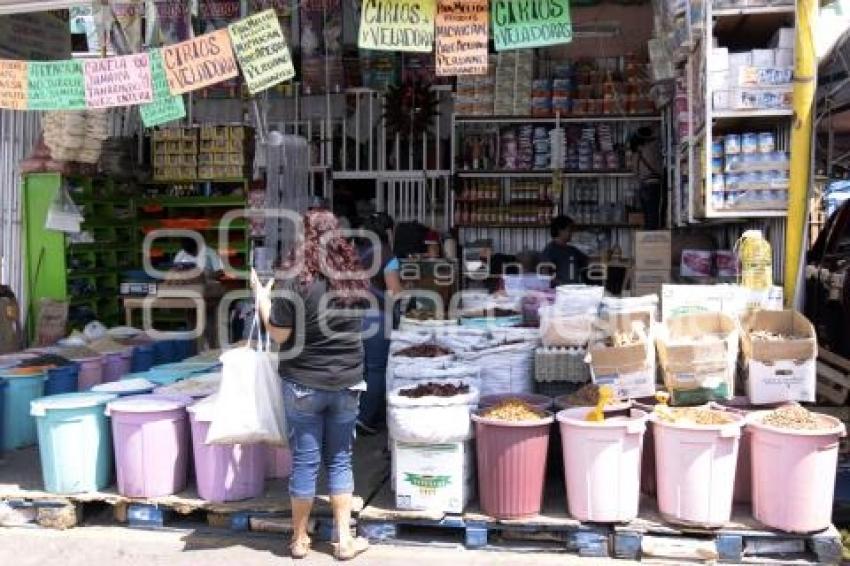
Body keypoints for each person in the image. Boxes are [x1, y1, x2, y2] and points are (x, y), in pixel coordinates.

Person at [254, 209, 370, 561]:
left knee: (305, 462)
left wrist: (261, 298)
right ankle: (345, 542)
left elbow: (278, 334)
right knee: (340, 460)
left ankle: (300, 540)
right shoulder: (353, 279)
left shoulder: (295, 281)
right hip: (348, 382)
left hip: (304, 383)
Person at [356, 212, 402, 434]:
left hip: (353, 316)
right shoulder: (387, 255)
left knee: (361, 369)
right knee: (377, 369)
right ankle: (366, 418)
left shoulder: (355, 253)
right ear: (387, 232)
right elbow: (394, 291)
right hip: (376, 317)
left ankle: (355, 414)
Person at [542, 215, 588, 285]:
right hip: (560, 290)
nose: (571, 233)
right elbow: (545, 275)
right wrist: (562, 284)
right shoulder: (550, 250)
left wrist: (606, 256)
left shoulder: (572, 250)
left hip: (575, 289)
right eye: (569, 230)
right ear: (560, 230)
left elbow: (588, 260)